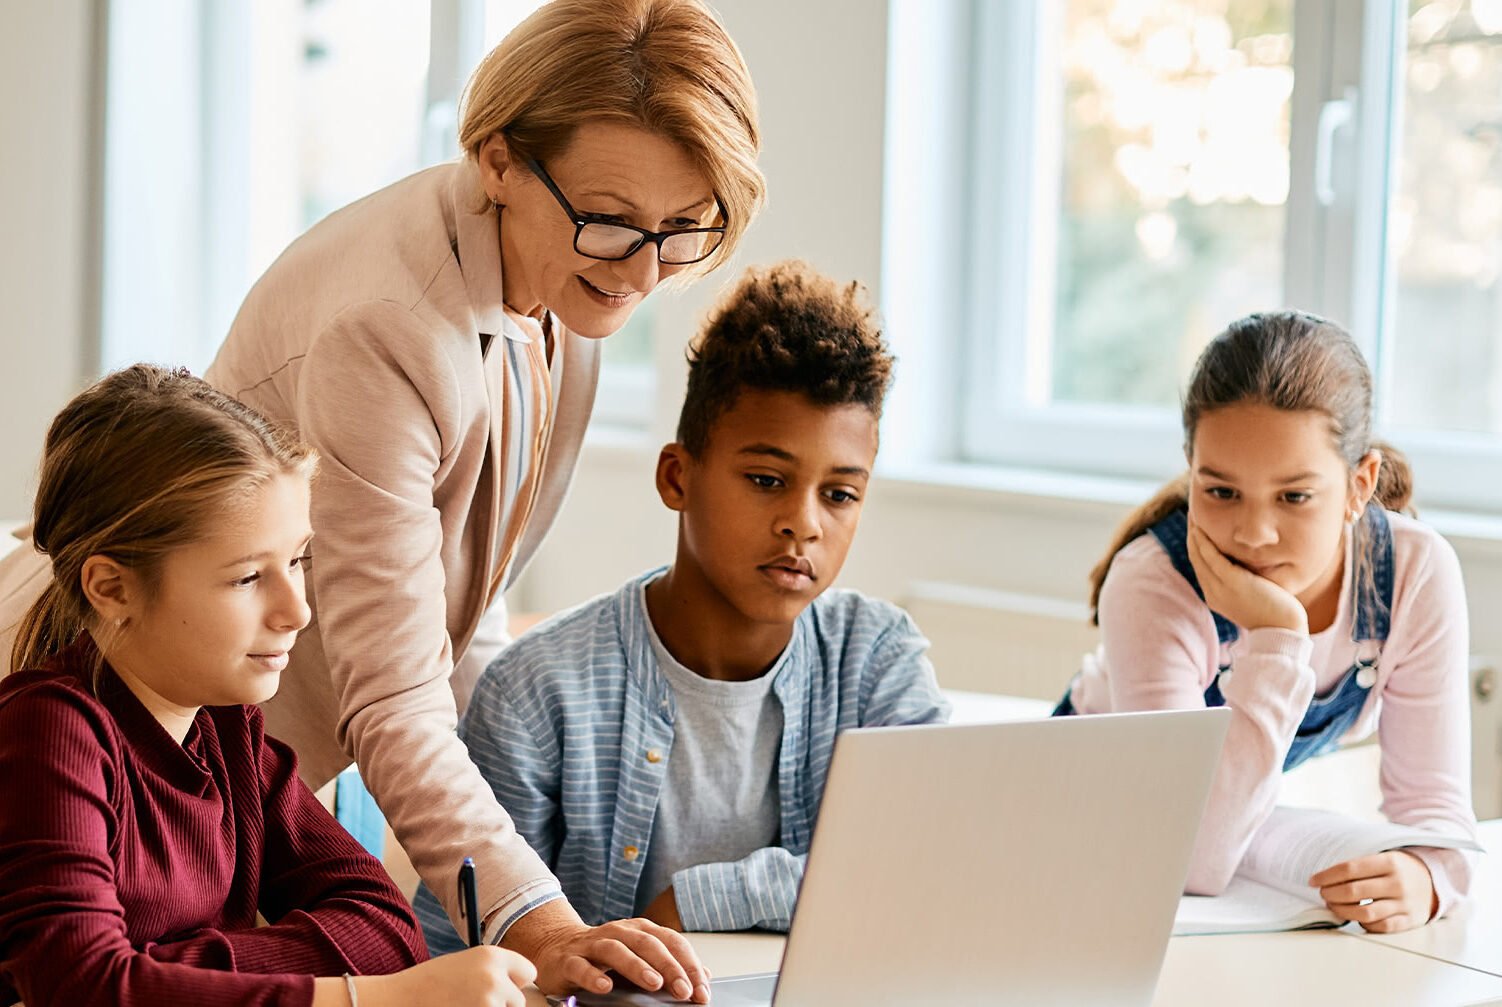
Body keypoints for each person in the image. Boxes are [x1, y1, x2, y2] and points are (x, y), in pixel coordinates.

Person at [0, 0, 763, 999]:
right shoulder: (386, 324)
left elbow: (460, 620)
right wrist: (519, 923)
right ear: (497, 159)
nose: (645, 269)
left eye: (683, 227)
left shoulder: (562, 280)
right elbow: (89, 977)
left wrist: (533, 899)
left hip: (238, 745)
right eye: (613, 219)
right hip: (136, 699)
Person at [413, 261, 949, 952]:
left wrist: (693, 901)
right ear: (677, 475)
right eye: (766, 479)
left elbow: (925, 862)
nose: (804, 523)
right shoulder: (538, 693)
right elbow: (454, 954)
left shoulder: (878, 660)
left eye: (840, 494)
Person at [0, 365, 537, 1007]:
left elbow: (386, 931)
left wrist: (156, 973)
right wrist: (366, 999)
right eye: (247, 577)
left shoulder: (230, 735)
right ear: (111, 588)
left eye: (296, 562)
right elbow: (82, 988)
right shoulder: (49, 731)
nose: (298, 611)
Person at [1055, 311, 1478, 933]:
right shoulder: (1152, 583)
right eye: (1221, 491)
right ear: (1190, 466)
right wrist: (1280, 635)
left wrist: (1428, 877)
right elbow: (1188, 859)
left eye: (1294, 496)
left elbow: (1435, 808)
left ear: (1360, 484)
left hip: (1217, 828)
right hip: (1086, 822)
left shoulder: (1414, 574)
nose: (1253, 535)